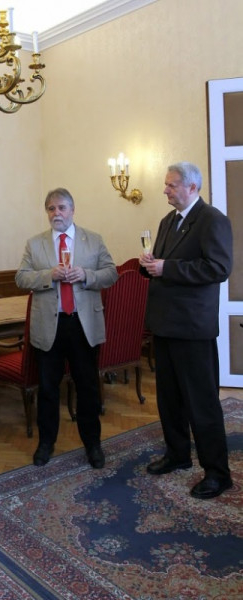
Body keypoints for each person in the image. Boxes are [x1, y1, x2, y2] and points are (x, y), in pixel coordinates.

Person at [139, 162, 233, 499]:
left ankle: (217, 473)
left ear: (192, 187)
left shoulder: (212, 219)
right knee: (170, 399)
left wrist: (167, 267)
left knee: (201, 403)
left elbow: (219, 268)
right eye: (166, 184)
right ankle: (177, 454)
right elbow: (163, 266)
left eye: (171, 185)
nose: (165, 190)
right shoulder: (168, 221)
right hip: (164, 325)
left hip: (193, 328)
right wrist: (149, 266)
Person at [15, 188, 118, 469]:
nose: (56, 213)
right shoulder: (35, 244)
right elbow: (21, 278)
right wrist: (49, 275)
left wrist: (85, 274)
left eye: (61, 207)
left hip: (83, 325)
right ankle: (46, 444)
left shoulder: (93, 240)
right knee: (48, 389)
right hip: (50, 325)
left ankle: (93, 444)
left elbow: (111, 273)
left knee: (88, 388)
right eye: (51, 208)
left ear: (72, 210)